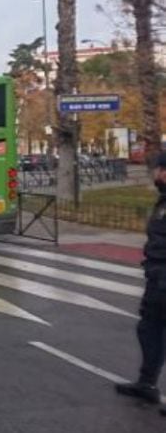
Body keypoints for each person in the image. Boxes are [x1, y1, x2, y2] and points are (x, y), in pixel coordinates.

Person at [116, 151, 166, 415]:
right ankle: (147, 383)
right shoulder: (162, 201)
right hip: (157, 275)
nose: (155, 174)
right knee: (148, 330)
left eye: (157, 169)